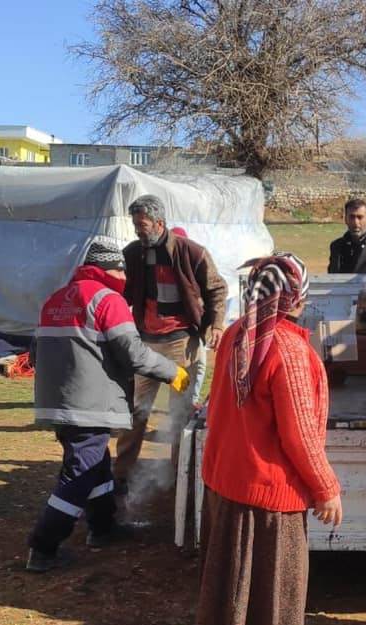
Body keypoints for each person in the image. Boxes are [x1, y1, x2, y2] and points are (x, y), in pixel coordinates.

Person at [194, 253, 342, 625]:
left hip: (227, 484)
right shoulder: (290, 352)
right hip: (270, 500)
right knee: (271, 605)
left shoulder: (236, 334)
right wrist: (326, 489)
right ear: (297, 298)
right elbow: (301, 435)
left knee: (230, 597)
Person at [25, 236, 189, 572]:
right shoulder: (107, 299)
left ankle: (102, 527)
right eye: (121, 269)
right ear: (111, 268)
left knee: (97, 462)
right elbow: (133, 353)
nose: (124, 276)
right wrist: (173, 372)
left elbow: (35, 354)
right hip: (88, 403)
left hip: (60, 402)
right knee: (80, 474)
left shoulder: (56, 299)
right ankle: (43, 546)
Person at [118, 195, 228, 489]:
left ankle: (181, 476)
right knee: (135, 412)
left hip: (182, 346)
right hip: (145, 347)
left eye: (142, 225)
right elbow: (121, 293)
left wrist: (215, 325)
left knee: (180, 413)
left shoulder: (190, 252)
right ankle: (122, 476)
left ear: (159, 223)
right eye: (134, 225)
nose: (138, 231)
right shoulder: (132, 253)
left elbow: (217, 288)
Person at [171, 227, 210, 409]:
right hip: (177, 331)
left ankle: (191, 402)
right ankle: (177, 409)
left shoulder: (192, 265)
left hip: (195, 328)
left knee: (200, 365)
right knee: (181, 369)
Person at [328, 198, 366, 274]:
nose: (355, 222)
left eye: (360, 217)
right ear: (345, 219)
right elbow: (333, 277)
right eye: (351, 217)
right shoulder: (337, 246)